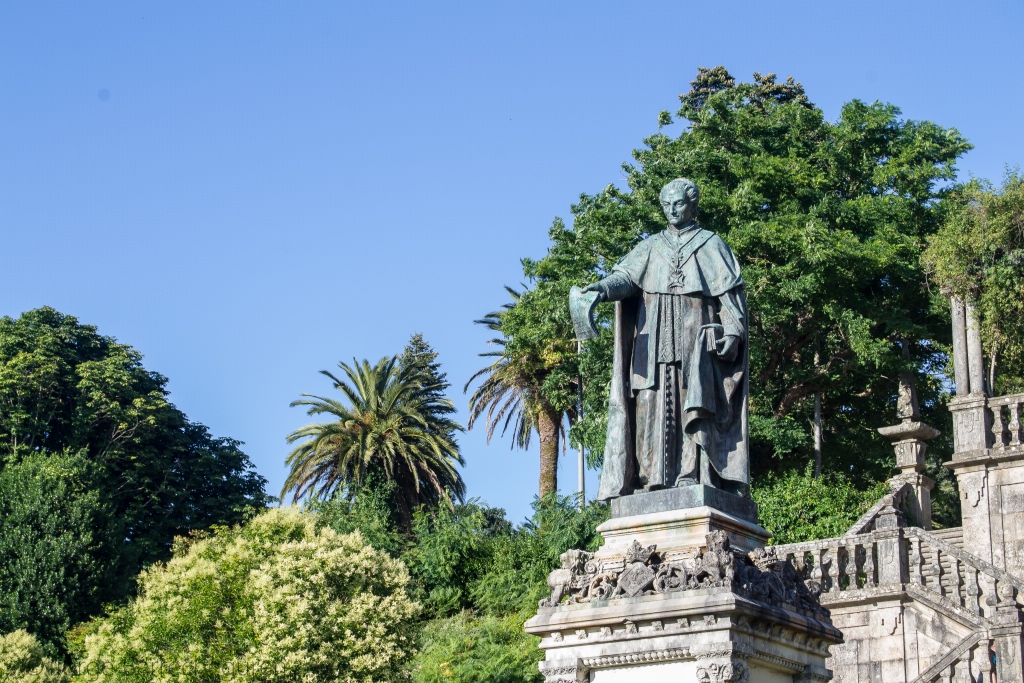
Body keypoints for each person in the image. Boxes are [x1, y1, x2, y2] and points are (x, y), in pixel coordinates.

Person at [581, 178, 749, 501]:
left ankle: (689, 475)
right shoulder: (651, 247)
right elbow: (625, 278)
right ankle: (651, 479)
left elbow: (730, 297)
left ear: (693, 205)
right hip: (653, 347)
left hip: (694, 346)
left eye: (680, 204)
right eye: (667, 205)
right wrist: (600, 289)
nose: (673, 210)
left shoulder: (711, 244)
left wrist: (732, 331)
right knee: (648, 405)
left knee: (691, 402)